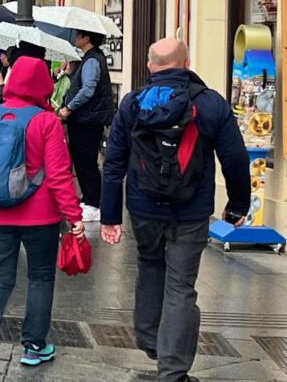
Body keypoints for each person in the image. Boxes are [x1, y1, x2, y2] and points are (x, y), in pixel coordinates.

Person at [100, 38, 250, 382]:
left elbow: (113, 162)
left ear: (150, 66)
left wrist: (110, 216)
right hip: (191, 209)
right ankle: (173, 370)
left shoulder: (132, 103)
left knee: (150, 267)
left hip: (142, 208)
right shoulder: (210, 104)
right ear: (186, 63)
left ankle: (153, 340)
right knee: (181, 286)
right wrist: (237, 206)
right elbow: (235, 159)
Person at [0, 57, 84, 380]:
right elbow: (59, 176)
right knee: (41, 277)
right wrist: (74, 217)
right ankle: (33, 345)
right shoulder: (47, 122)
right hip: (40, 217)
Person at [58, 30, 114, 222]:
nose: (74, 37)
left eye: (78, 34)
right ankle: (88, 199)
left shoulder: (92, 60)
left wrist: (69, 108)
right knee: (82, 160)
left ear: (87, 38)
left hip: (87, 120)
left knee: (87, 161)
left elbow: (88, 90)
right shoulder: (88, 59)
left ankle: (93, 203)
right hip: (85, 119)